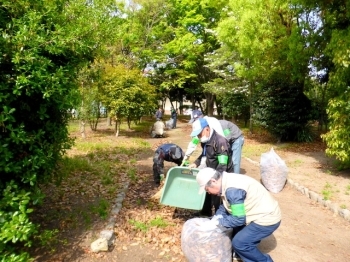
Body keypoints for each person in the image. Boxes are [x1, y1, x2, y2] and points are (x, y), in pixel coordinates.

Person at [196, 167, 281, 262]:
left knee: (240, 243)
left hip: (266, 218)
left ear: (213, 181)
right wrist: (217, 217)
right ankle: (242, 253)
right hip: (257, 211)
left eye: (207, 189)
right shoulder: (226, 180)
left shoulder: (232, 191)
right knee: (234, 231)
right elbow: (226, 205)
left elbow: (238, 219)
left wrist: (218, 222)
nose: (208, 192)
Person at [188, 118, 233, 216]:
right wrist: (196, 162)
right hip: (212, 171)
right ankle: (205, 212)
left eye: (199, 134)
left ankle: (219, 218)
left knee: (217, 196)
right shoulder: (205, 140)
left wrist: (214, 178)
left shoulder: (220, 142)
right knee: (206, 190)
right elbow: (204, 154)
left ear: (207, 129)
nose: (198, 136)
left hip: (222, 174)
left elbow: (222, 165)